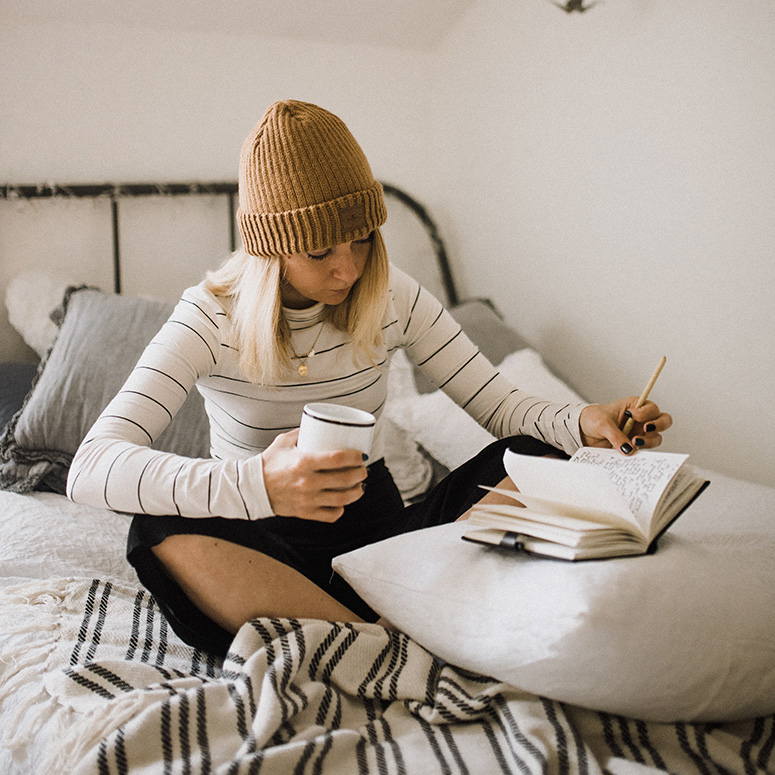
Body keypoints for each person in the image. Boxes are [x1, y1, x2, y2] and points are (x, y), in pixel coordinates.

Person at [67, 100, 672, 657]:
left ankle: (366, 631)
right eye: (321, 252)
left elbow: (502, 406)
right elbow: (91, 467)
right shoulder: (209, 316)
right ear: (272, 250)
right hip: (266, 559)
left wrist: (582, 421)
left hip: (388, 549)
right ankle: (382, 640)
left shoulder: (391, 295)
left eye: (361, 241)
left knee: (533, 454)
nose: (348, 269)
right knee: (155, 528)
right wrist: (257, 484)